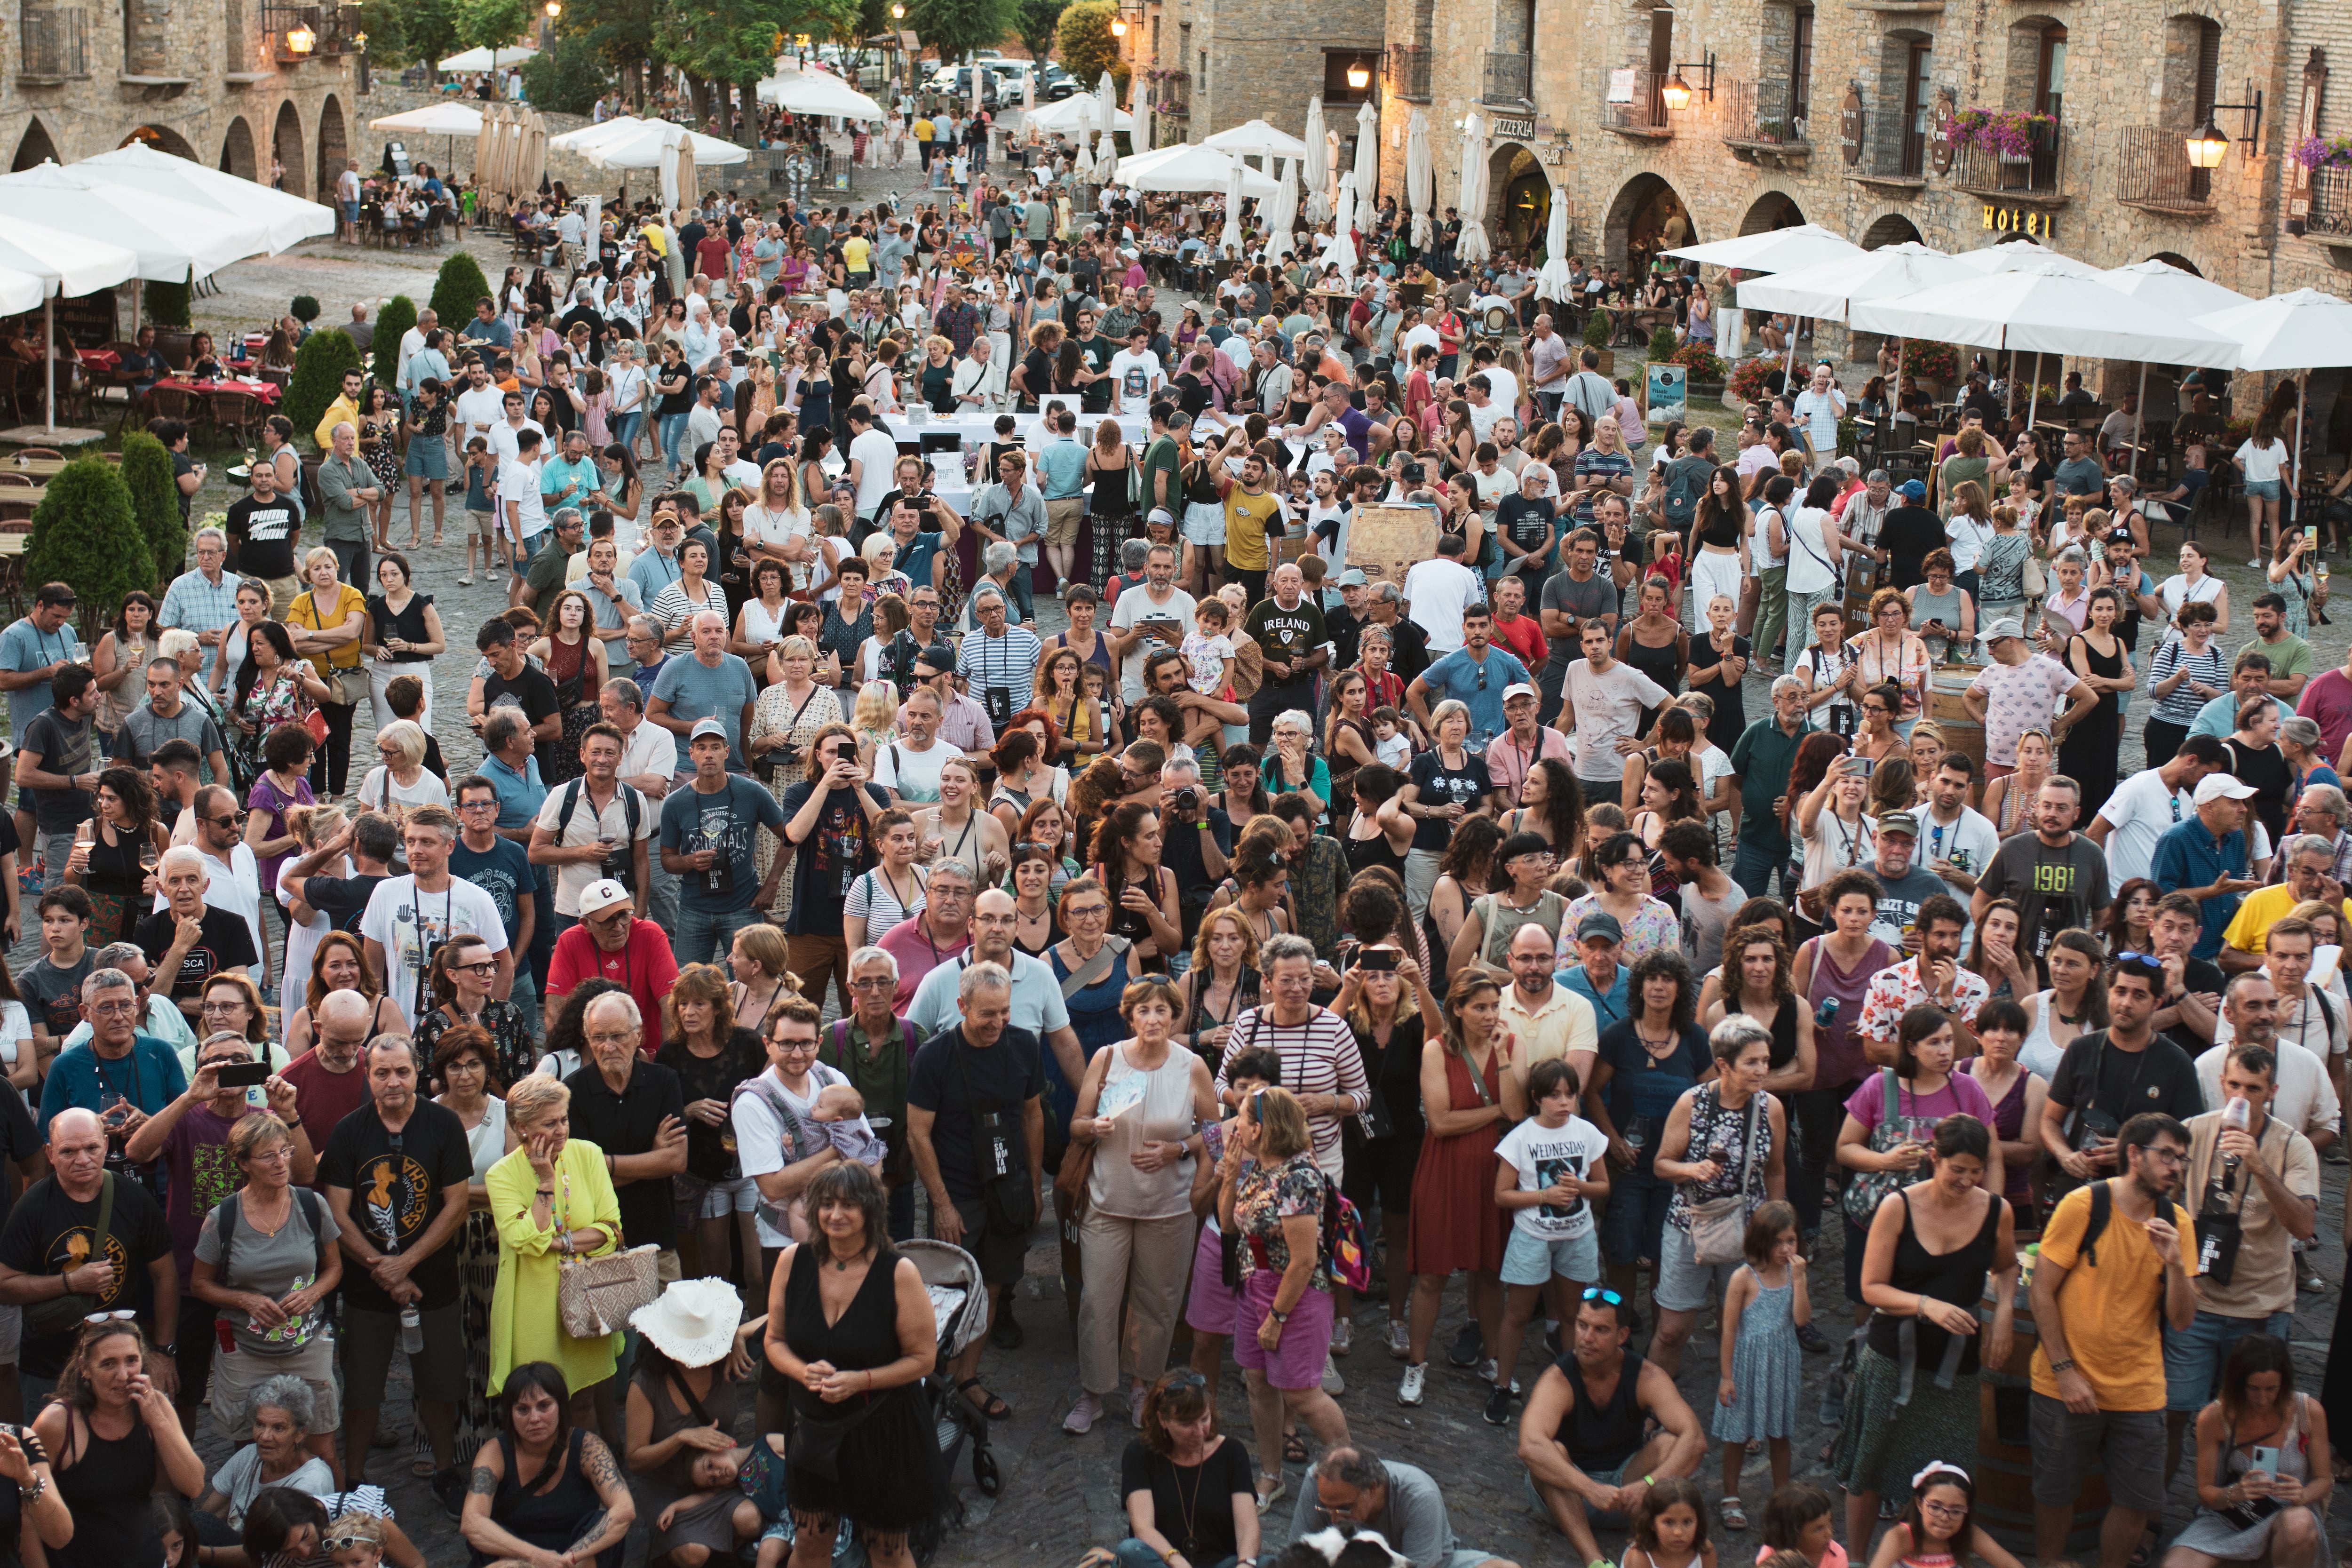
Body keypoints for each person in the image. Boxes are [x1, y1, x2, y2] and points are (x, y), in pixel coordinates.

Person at [1829, 1099, 2016, 1542]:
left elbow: (2007, 1267)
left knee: (1946, 1476)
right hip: (1893, 1354)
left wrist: (2004, 1310)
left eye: (1978, 1171)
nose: (1968, 1181)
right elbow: (1872, 1287)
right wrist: (1925, 1305)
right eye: (1959, 1169)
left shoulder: (1996, 1211)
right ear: (1935, 1157)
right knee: (1871, 1467)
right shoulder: (1898, 1207)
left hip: (1957, 1366)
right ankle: (1858, 1556)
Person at [2030, 1111, 2198, 1568]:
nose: (2175, 1168)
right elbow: (2040, 1291)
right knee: (2055, 1491)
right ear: (2132, 1155)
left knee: (2138, 1500)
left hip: (2138, 1387)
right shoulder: (2083, 1206)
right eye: (2166, 1156)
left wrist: (2175, 1266)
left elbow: (2181, 1320)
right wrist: (2064, 1372)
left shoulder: (2178, 1223)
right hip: (2065, 1381)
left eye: (2182, 1159)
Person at [763, 1159, 948, 1568]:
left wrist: (861, 1380)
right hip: (814, 1427)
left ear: (870, 1210)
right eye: (826, 1204)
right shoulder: (792, 1262)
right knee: (810, 1540)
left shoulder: (898, 1272)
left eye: (848, 1205)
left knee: (886, 1549)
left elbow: (923, 1359)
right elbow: (774, 1340)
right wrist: (800, 1371)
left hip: (883, 1430)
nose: (835, 1214)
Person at [2163, 1038, 2320, 1475]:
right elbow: (2164, 1199)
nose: (2241, 1097)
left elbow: (2305, 1227)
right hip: (2196, 1303)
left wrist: (2260, 1168)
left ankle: (2239, 1515)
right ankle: (2153, 1521)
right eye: (2234, 1085)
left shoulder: (2293, 1147)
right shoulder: (2193, 1130)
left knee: (2253, 1420)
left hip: (2260, 1307)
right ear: (2221, 1082)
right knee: (2173, 1413)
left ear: (2271, 1092)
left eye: (2253, 1088)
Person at [908, 962, 1042, 1424]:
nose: (997, 1024)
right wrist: (941, 1205)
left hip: (1008, 1188)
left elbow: (1031, 1115)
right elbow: (918, 1134)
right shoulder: (934, 1056)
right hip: (958, 1193)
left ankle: (967, 1379)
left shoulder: (1023, 1044)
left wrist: (1034, 1183)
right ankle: (930, 1383)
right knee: (949, 1292)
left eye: (1004, 1013)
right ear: (961, 1007)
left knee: (994, 1284)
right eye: (986, 1014)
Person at [1517, 1289, 1708, 1567]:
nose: (1587, 1338)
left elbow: (1696, 1440)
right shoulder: (1558, 1379)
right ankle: (1596, 1561)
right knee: (1550, 1452)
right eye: (1582, 1326)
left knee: (1671, 1442)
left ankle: (1655, 1547)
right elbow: (1529, 1446)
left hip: (1628, 1490)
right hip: (1571, 1494)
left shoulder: (1646, 1375)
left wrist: (1648, 1484)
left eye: (1601, 1330)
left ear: (1622, 1336)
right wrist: (1590, 1488)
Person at [0, 1105, 176, 1407]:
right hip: (48, 1365)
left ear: (106, 1145)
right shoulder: (32, 1208)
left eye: (92, 1148)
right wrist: (71, 1283)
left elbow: (166, 1276)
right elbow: (5, 1284)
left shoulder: (134, 1199)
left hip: (121, 1362)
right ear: (50, 1154)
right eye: (68, 1152)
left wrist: (163, 1352)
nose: (82, 1160)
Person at [1647, 1016, 1788, 1377]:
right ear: (1723, 1065)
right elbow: (1662, 1164)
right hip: (1689, 1225)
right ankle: (1650, 1409)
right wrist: (1692, 1170)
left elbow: (1774, 1170)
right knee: (1672, 1330)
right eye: (1752, 1062)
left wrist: (1778, 1228)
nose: (1762, 1070)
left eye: (1766, 1061)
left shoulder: (1771, 1107)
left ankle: (1742, 1414)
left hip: (1748, 1229)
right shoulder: (1691, 1103)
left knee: (1744, 1326)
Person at [31, 1318, 203, 1568]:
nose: (123, 1375)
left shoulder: (155, 1406)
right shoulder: (58, 1423)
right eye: (108, 1364)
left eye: (132, 1361)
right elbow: (27, 1512)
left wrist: (158, 1421)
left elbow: (195, 1485)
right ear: (85, 1368)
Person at [2165, 1335, 2334, 1568]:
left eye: (2271, 1389)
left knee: (2299, 1524)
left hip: (2288, 1514)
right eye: (2253, 1388)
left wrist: (2304, 1494)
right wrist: (2234, 1493)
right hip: (2234, 1516)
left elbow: (2325, 1480)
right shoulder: (2215, 1417)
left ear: (2284, 1384)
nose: (2262, 1399)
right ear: (2238, 1383)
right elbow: (2206, 1494)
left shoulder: (2308, 1411)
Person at [458, 1360, 636, 1568]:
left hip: (576, 1561)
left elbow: (624, 1511)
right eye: (523, 1410)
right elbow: (472, 1523)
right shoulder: (494, 1453)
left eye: (544, 1406)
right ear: (510, 1414)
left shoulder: (589, 1448)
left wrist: (566, 1559)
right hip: (515, 1560)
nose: (534, 1418)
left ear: (561, 1406)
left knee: (600, 1523)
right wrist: (536, 1558)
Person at [1113, 1369, 1261, 1568]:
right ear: (1163, 1420)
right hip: (1167, 1562)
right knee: (1130, 1551)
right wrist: (1177, 1560)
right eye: (1187, 1424)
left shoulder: (1232, 1452)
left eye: (1204, 1419)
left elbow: (1248, 1528)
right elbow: (1143, 1529)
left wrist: (1246, 1564)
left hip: (1222, 1564)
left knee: (1272, 1564)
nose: (1199, 1432)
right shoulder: (1139, 1454)